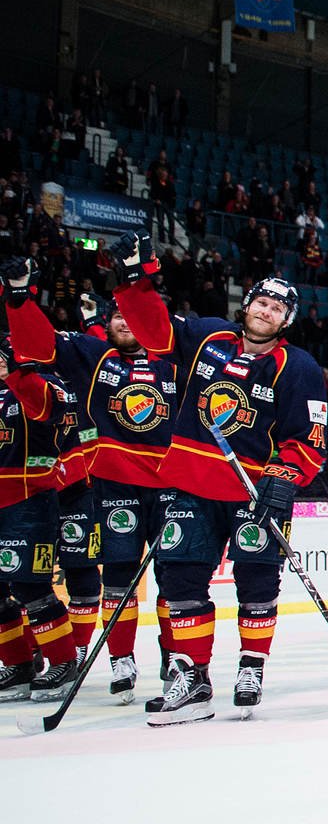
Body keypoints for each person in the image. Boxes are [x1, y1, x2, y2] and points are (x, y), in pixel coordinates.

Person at [108, 234, 327, 724]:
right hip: (191, 484)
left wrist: (284, 477)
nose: (267, 311)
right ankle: (192, 677)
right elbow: (155, 330)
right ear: (247, 305)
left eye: (277, 308)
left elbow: (309, 437)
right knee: (181, 578)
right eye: (262, 302)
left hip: (253, 492)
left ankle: (251, 666)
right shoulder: (208, 337)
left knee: (257, 579)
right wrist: (134, 283)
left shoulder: (299, 367)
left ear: (287, 321)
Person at [5, 278, 179, 703]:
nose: (126, 322)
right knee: (118, 577)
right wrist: (19, 297)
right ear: (108, 322)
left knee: (176, 579)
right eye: (118, 316)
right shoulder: (95, 358)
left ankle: (176, 657)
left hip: (174, 486)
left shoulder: (179, 360)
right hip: (115, 485)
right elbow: (41, 345)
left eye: (133, 316)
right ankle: (121, 660)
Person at [0, 329, 82, 702]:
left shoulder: (48, 383)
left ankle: (64, 663)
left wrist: (18, 371)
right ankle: (18, 665)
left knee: (30, 586)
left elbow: (46, 408)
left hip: (28, 499)